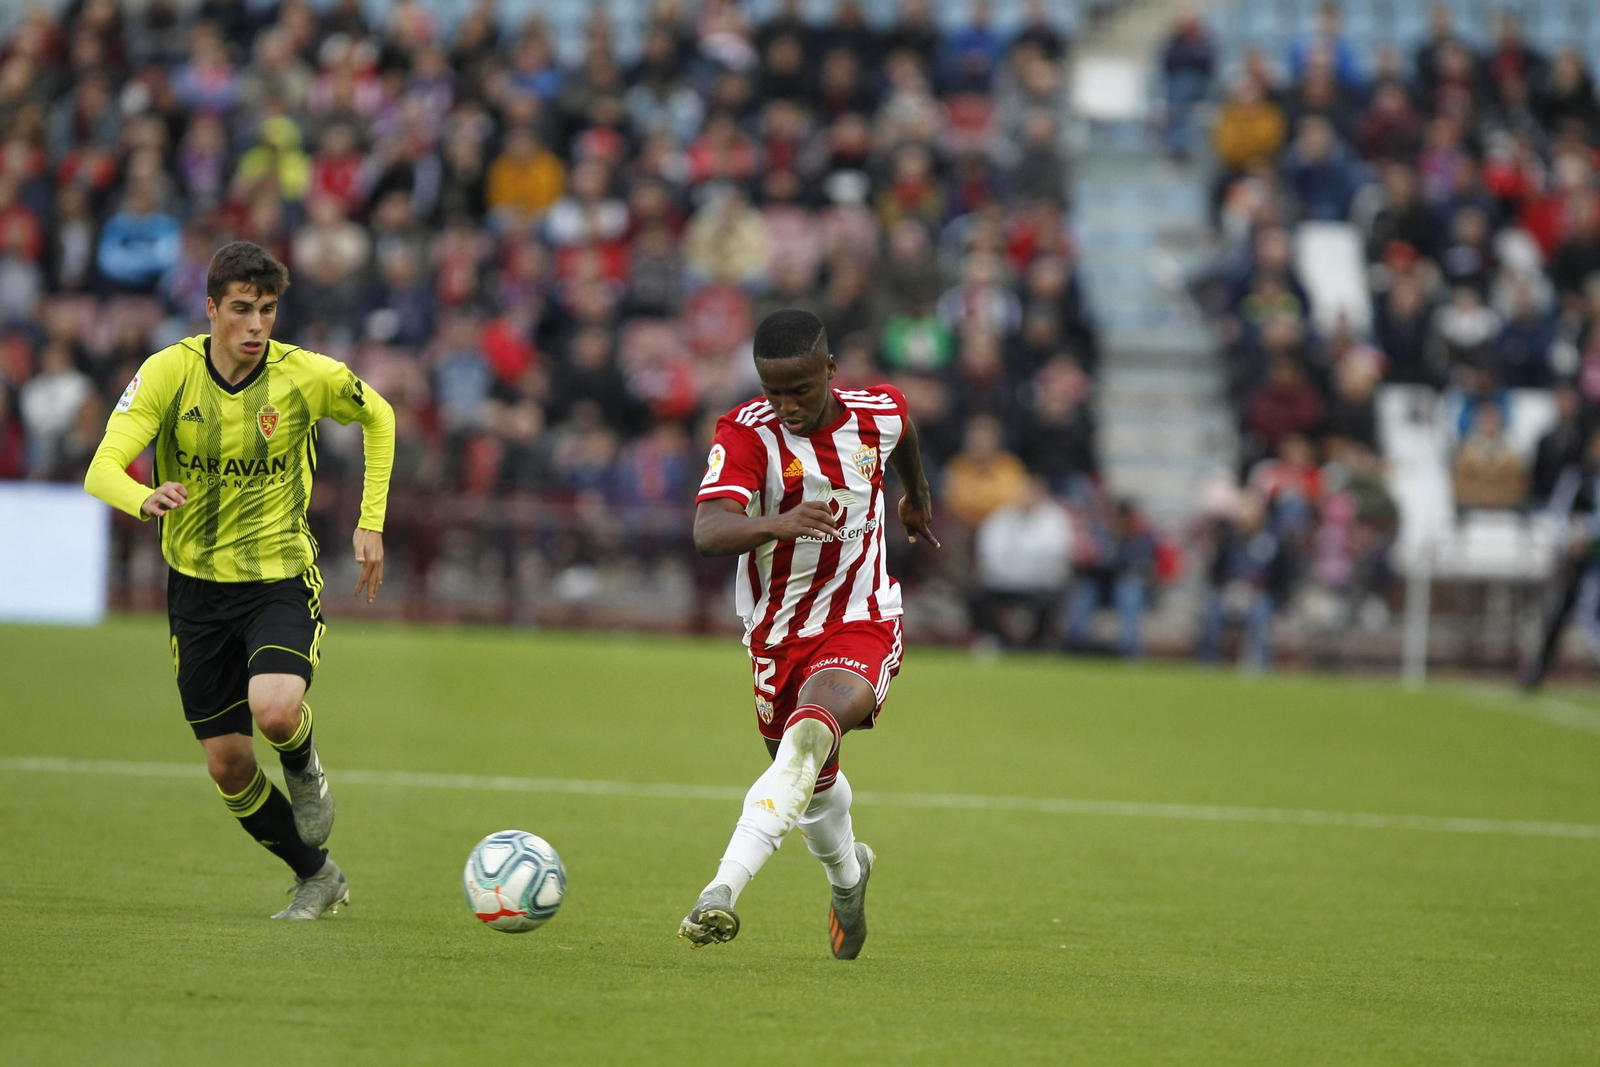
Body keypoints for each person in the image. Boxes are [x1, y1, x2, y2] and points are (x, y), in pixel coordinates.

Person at [82, 241, 395, 920]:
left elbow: (380, 414)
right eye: (243, 310)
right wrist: (143, 497)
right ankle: (317, 875)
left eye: (269, 309)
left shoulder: (306, 375)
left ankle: (305, 763)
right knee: (227, 764)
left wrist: (369, 522)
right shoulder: (169, 373)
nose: (257, 325)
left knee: (275, 708)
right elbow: (102, 466)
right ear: (212, 310)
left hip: (278, 575)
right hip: (195, 589)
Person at [680, 308, 938, 958]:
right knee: (811, 782)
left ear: (829, 370)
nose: (787, 405)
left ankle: (721, 891)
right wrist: (780, 522)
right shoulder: (746, 433)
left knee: (813, 732)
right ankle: (849, 880)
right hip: (778, 634)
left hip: (863, 619)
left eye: (800, 388)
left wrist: (916, 497)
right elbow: (709, 531)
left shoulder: (874, 412)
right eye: (774, 390)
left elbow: (903, 425)